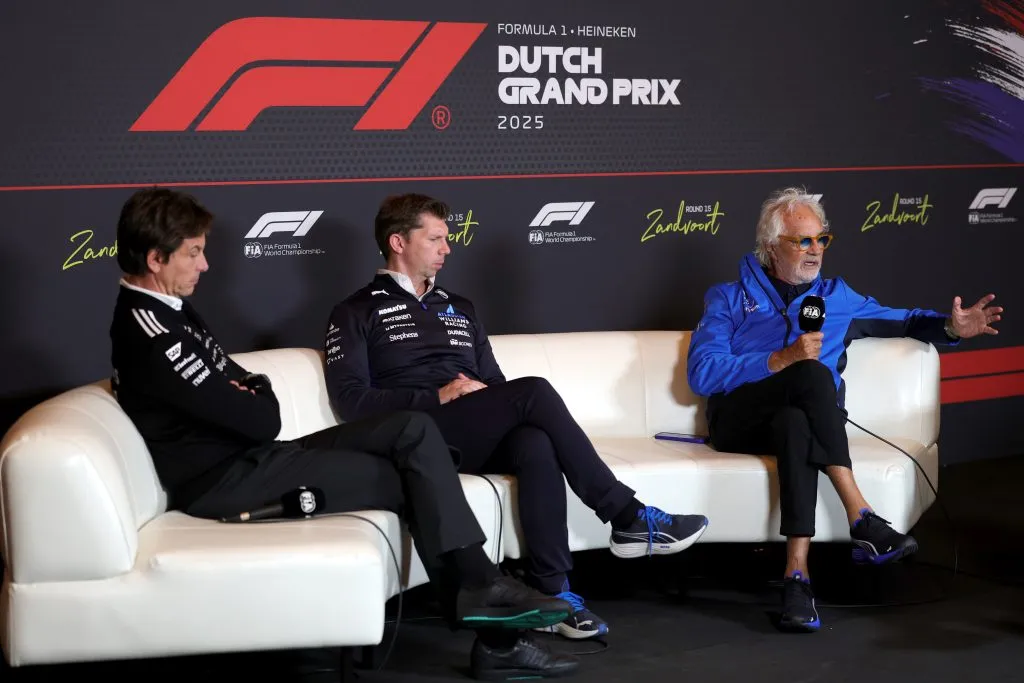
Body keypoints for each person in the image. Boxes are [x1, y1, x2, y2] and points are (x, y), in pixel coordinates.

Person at [108, 187, 581, 680]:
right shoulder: (149, 327)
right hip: (225, 481)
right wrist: (247, 394)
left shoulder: (172, 311)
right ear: (156, 258)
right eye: (194, 252)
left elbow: (249, 391)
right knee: (412, 476)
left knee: (414, 430)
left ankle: (485, 596)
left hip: (256, 458)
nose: (204, 265)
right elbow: (259, 417)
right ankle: (492, 621)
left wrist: (250, 388)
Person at [323, 193, 711, 641]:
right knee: (535, 392)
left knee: (534, 441)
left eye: (446, 239)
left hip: (470, 430)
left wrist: (480, 395)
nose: (447, 248)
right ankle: (625, 513)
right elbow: (351, 401)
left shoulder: (461, 307)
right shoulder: (355, 310)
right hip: (417, 437)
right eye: (435, 239)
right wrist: (436, 396)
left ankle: (553, 594)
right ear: (398, 242)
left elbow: (494, 381)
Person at [687, 187, 1002, 632]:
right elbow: (701, 373)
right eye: (803, 241)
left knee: (797, 420)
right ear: (772, 247)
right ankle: (861, 515)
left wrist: (951, 325)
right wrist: (778, 360)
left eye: (822, 240)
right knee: (812, 373)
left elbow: (905, 319)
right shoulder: (728, 297)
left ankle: (797, 577)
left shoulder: (837, 297)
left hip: (801, 425)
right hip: (739, 420)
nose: (816, 250)